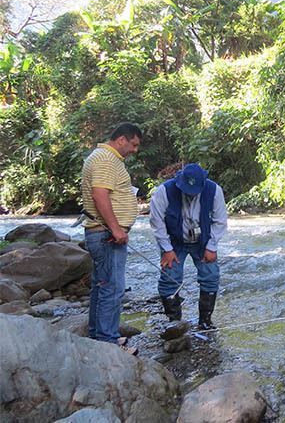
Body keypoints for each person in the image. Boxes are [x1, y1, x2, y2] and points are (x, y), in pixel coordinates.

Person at [81, 123, 142, 352]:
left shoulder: (104, 157)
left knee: (101, 285)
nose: (135, 150)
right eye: (134, 144)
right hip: (106, 235)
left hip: (103, 233)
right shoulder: (106, 159)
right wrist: (116, 229)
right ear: (121, 140)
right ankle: (107, 342)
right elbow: (100, 194)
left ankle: (99, 336)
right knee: (112, 288)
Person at [149, 163, 228, 330]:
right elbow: (157, 222)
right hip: (174, 242)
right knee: (169, 278)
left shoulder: (214, 191)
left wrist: (212, 247)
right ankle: (174, 322)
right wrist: (167, 249)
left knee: (211, 276)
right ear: (179, 182)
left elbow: (220, 221)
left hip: (203, 241)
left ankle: (205, 321)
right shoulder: (164, 191)